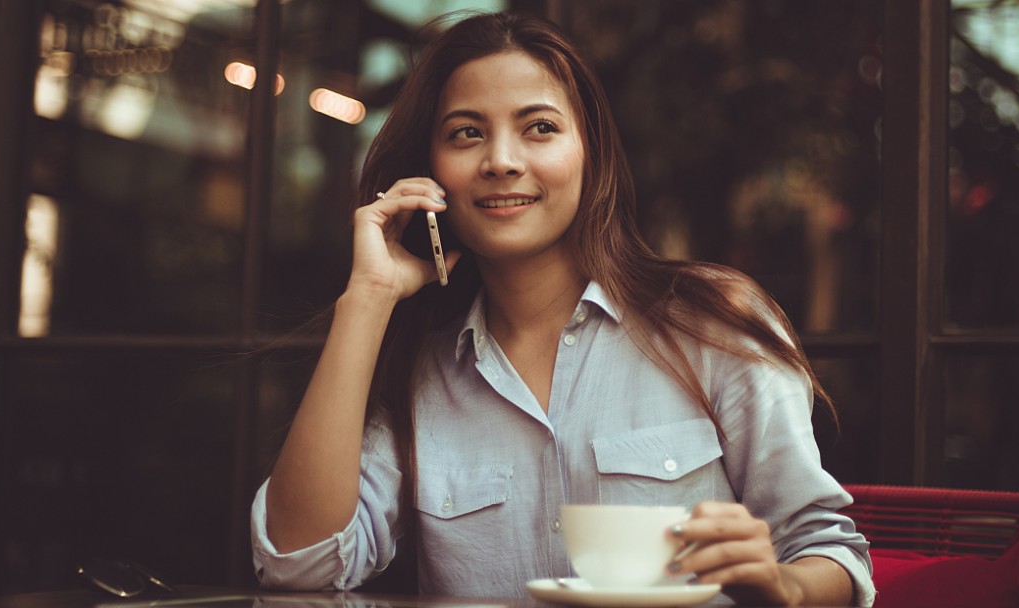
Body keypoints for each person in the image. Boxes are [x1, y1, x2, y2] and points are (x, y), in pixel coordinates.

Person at [250, 11, 875, 606]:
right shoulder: (419, 373)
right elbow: (296, 565)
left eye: (539, 127)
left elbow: (830, 553)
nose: (500, 160)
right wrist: (367, 299)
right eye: (467, 133)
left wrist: (783, 586)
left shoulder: (710, 324)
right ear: (432, 172)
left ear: (589, 154)